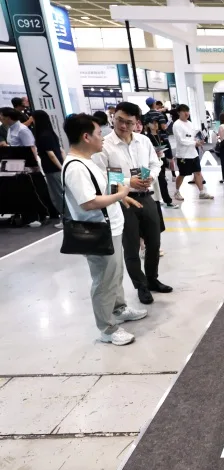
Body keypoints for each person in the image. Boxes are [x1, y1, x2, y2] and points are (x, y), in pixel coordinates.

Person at [62, 113, 147, 345]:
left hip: (112, 228)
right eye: (99, 133)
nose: (103, 137)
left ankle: (119, 309)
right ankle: (107, 328)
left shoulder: (88, 161)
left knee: (115, 275)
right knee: (104, 280)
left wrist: (122, 197)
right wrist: (120, 195)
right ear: (86, 137)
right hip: (98, 232)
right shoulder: (76, 167)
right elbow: (88, 202)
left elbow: (102, 189)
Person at [92, 101, 173, 305]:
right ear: (113, 118)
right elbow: (101, 176)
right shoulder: (104, 145)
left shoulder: (143, 141)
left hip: (147, 197)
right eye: (119, 120)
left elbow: (155, 163)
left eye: (128, 122)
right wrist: (129, 182)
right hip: (123, 201)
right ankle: (141, 286)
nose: (123, 126)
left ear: (137, 122)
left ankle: (152, 279)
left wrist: (151, 176)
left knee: (154, 242)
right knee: (131, 247)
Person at [172, 104, 214, 201]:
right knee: (182, 174)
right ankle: (177, 192)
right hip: (183, 155)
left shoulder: (190, 123)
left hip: (193, 153)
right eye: (184, 111)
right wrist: (195, 143)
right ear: (179, 113)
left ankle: (202, 192)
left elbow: (192, 136)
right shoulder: (177, 125)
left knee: (198, 172)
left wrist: (198, 141)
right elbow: (181, 140)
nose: (186, 113)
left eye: (187, 111)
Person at [33, 110, 66, 226]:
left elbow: (51, 155)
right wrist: (64, 166)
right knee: (61, 194)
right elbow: (61, 150)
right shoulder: (51, 134)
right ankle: (67, 219)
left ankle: (65, 219)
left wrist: (61, 168)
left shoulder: (43, 136)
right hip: (57, 168)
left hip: (52, 169)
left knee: (57, 196)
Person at [143, 115, 179, 207]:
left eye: (156, 123)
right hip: (151, 163)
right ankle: (156, 201)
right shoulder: (146, 138)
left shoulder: (161, 135)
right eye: (153, 123)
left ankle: (166, 200)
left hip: (161, 161)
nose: (155, 125)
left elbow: (167, 146)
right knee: (155, 183)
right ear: (148, 125)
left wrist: (169, 157)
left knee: (163, 182)